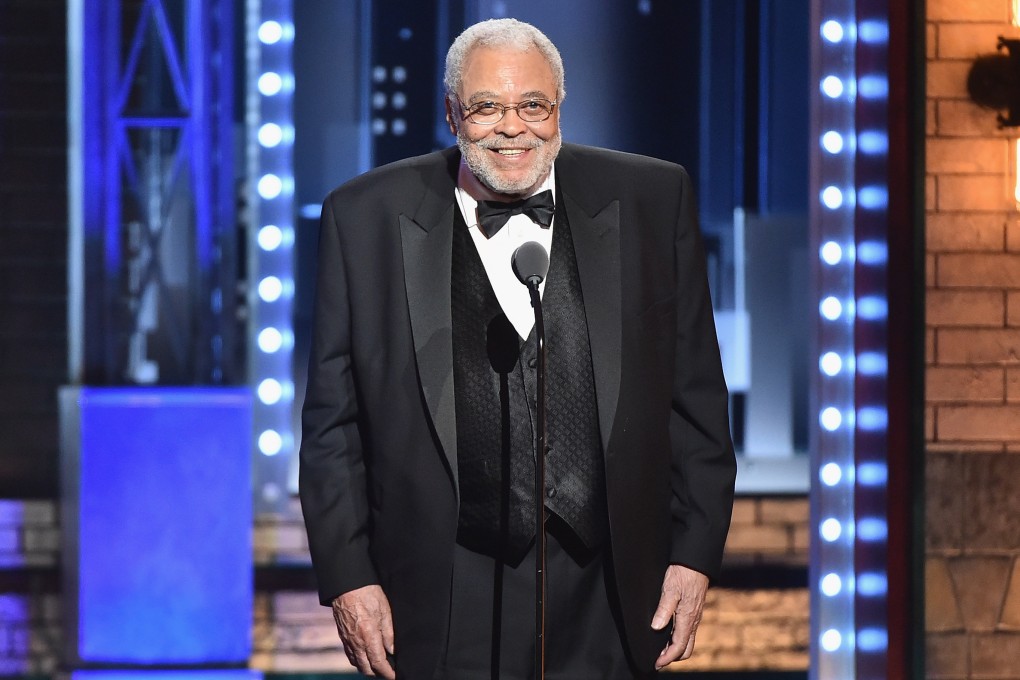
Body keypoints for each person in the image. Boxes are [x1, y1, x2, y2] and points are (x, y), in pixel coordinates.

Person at [299, 17, 736, 680]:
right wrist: (349, 576)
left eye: (533, 105)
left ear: (559, 108)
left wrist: (695, 552)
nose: (513, 127)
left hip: (608, 586)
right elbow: (332, 427)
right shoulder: (363, 217)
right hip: (440, 592)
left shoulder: (652, 198)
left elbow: (697, 399)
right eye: (486, 107)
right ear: (452, 114)